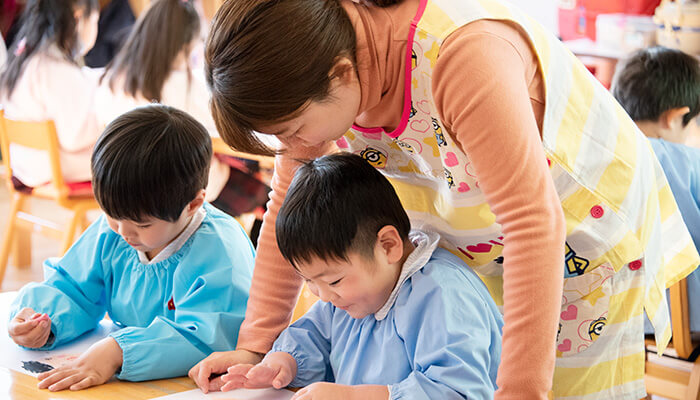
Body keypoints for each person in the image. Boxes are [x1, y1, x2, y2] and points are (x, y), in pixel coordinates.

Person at [191, 1, 700, 398]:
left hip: (576, 241)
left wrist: (520, 394)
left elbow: (532, 224)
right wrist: (255, 348)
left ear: (342, 74)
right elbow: (285, 204)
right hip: (482, 242)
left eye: (293, 129)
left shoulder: (462, 54)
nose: (293, 148)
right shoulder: (326, 59)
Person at [198, 153, 503, 399]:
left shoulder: (442, 294)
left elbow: (457, 391)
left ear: (388, 245)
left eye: (332, 281)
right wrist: (281, 364)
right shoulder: (351, 293)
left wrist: (353, 396)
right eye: (309, 281)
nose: (323, 296)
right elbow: (313, 336)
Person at [7, 105, 255, 391]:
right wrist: (42, 320)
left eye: (142, 224)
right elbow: (72, 286)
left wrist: (119, 351)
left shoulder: (220, 250)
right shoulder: (114, 228)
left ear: (193, 204)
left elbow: (207, 337)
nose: (123, 232)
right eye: (112, 215)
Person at [96, 0, 270, 220]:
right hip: (176, 188)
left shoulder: (113, 77)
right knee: (265, 192)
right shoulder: (179, 83)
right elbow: (217, 128)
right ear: (184, 44)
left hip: (125, 184)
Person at [612, 46, 700, 333]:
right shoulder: (689, 164)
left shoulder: (598, 155)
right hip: (682, 323)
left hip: (606, 323)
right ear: (675, 117)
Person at [0, 0, 101, 188]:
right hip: (50, 168)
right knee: (130, 156)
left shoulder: (26, 53)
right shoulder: (55, 67)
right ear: (78, 16)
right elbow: (75, 137)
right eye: (95, 21)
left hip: (23, 162)